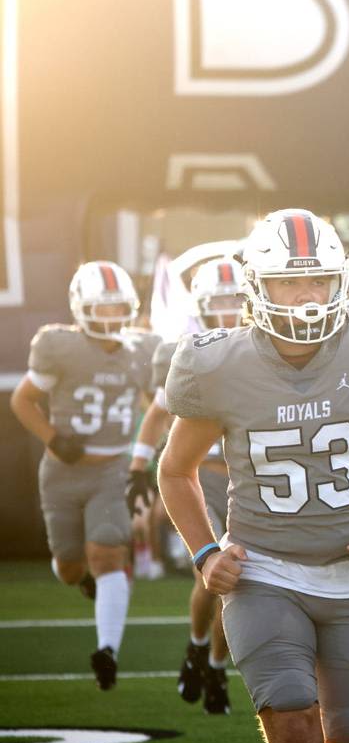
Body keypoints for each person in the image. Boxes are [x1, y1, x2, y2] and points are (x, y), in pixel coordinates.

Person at [158, 209, 349, 743]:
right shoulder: (217, 362)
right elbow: (174, 471)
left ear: (339, 284)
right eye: (287, 282)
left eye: (317, 281)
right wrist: (205, 550)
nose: (305, 296)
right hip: (265, 571)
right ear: (256, 284)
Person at [10, 260, 160, 690]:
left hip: (113, 470)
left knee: (108, 554)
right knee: (71, 567)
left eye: (119, 308)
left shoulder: (140, 350)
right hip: (62, 471)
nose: (113, 317)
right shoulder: (60, 347)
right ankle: (86, 583)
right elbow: (22, 401)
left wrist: (148, 457)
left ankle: (107, 650)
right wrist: (54, 438)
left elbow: (158, 406)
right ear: (82, 308)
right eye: (103, 308)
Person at [129, 255, 245, 714]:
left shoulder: (265, 344)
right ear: (199, 303)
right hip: (203, 478)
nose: (227, 307)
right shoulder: (191, 349)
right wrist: (138, 465)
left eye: (235, 298)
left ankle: (214, 663)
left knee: (241, 582)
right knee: (217, 577)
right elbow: (158, 410)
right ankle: (200, 648)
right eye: (218, 299)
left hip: (250, 481)